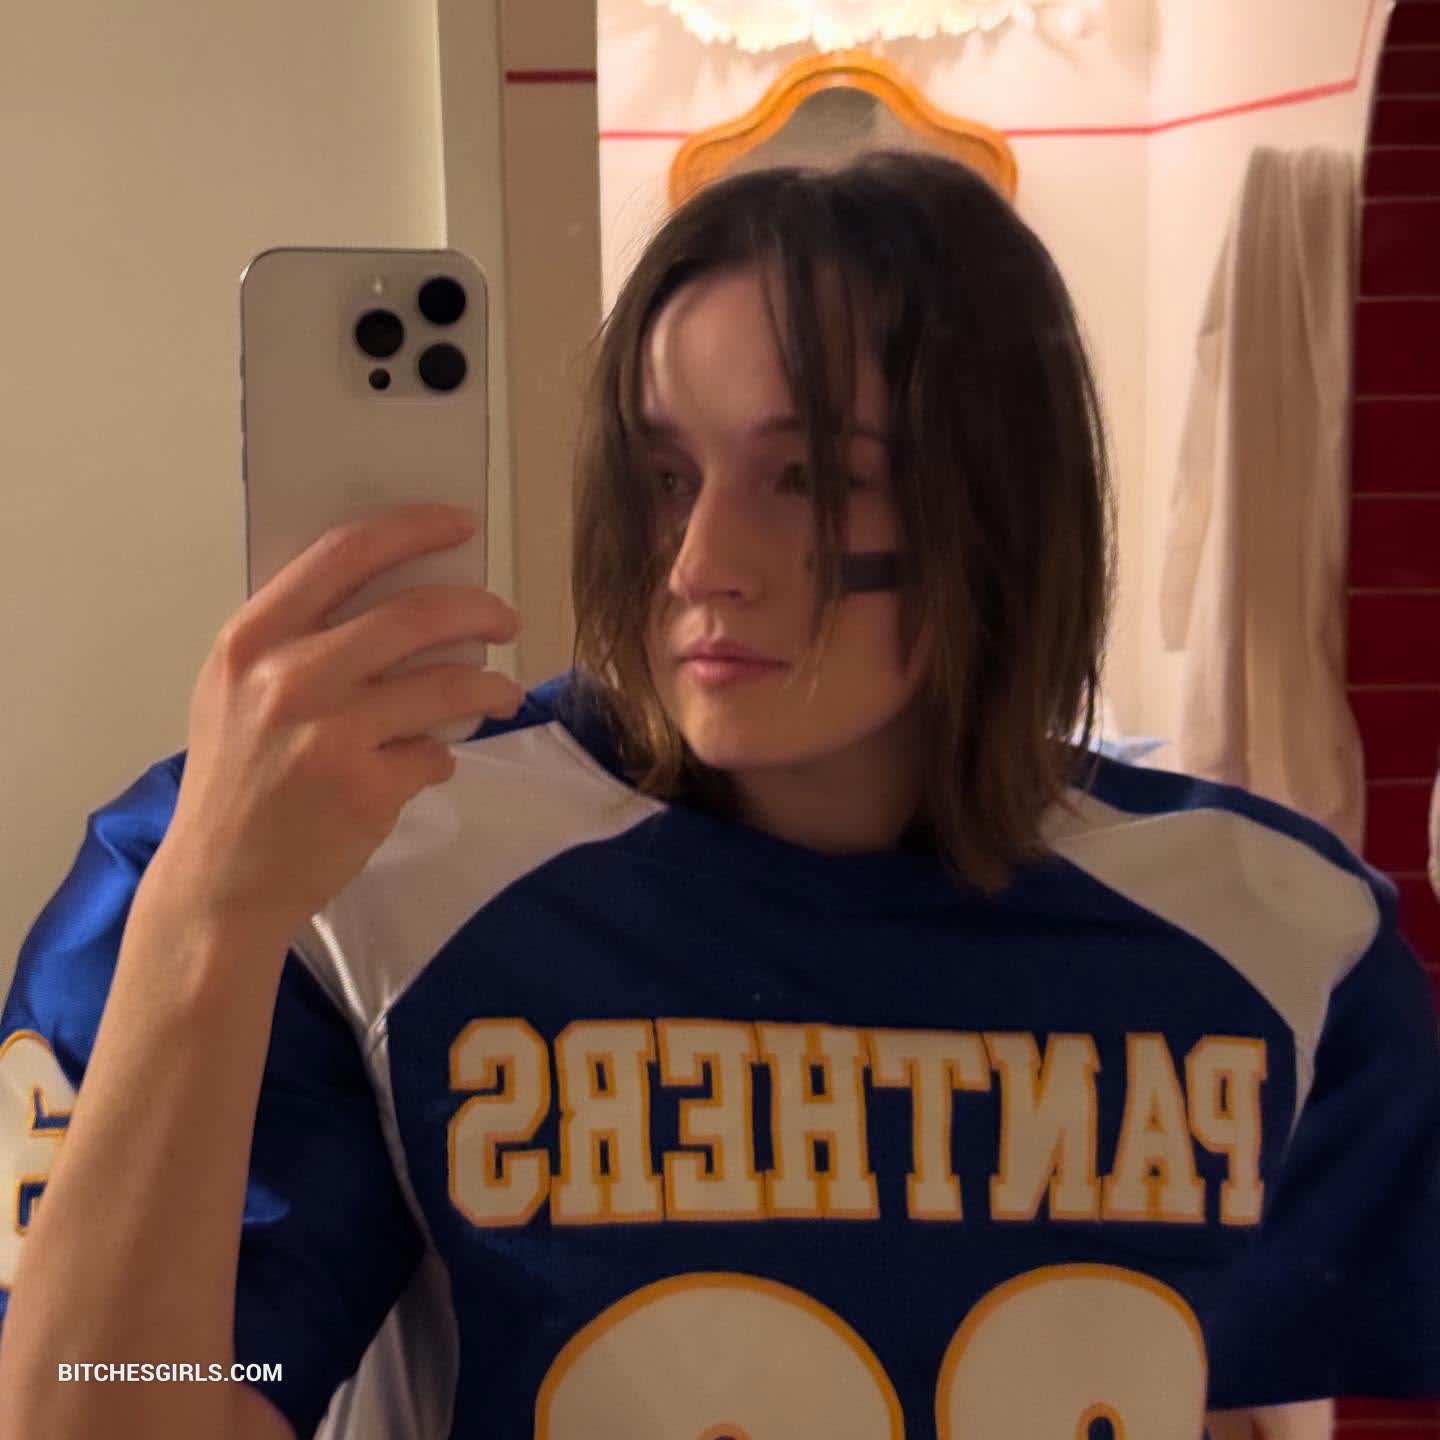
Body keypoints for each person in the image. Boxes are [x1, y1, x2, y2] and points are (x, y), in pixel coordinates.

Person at [0, 149, 1435, 1440]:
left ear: (1002, 503)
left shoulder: (1279, 933)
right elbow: (106, 1413)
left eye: (808, 478)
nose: (697, 565)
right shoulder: (364, 871)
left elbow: (1245, 1391)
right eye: (662, 473)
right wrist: (209, 918)